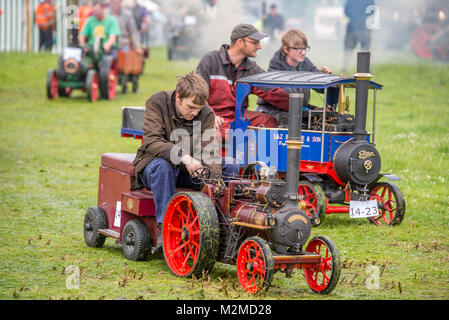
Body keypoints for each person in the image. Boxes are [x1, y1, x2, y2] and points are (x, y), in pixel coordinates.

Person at [132, 72, 239, 254]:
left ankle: (222, 224)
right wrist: (184, 157)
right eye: (191, 107)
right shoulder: (157, 102)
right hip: (155, 166)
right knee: (163, 167)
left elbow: (210, 152)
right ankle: (164, 229)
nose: (195, 113)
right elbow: (152, 141)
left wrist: (215, 184)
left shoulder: (206, 113)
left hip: (190, 170)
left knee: (230, 165)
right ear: (179, 97)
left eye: (198, 108)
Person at [195, 23, 290, 141]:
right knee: (224, 133)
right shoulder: (210, 60)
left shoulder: (252, 69)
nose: (259, 46)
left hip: (238, 117)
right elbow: (196, 93)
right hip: (211, 116)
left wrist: (302, 107)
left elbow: (273, 92)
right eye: (255, 42)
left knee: (268, 122)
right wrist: (209, 115)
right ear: (240, 42)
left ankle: (262, 158)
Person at [256, 28, 332, 122]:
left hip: (295, 112)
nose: (303, 53)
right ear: (286, 49)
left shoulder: (304, 63)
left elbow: (320, 87)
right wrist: (311, 111)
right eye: (298, 49)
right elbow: (287, 99)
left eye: (305, 48)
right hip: (272, 113)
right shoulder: (276, 66)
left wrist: (327, 78)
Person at [343, 0, 375, 71]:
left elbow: (372, 9)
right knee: (349, 48)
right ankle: (346, 67)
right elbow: (346, 11)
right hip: (356, 26)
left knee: (364, 49)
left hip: (362, 26)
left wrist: (359, 17)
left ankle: (364, 69)